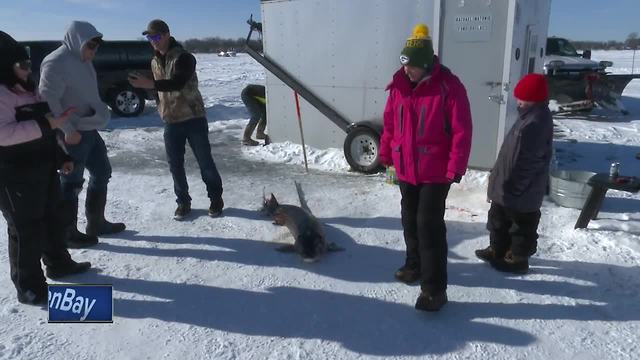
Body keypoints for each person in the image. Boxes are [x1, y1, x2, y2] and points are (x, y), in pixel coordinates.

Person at [379, 24, 473, 312]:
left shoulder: (449, 87)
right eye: (404, 65)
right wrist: (386, 155)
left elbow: (462, 130)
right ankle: (414, 264)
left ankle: (434, 290)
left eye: (412, 67)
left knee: (428, 226)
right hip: (406, 168)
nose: (407, 71)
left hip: (436, 171)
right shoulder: (398, 87)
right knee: (409, 219)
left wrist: (455, 167)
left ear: (426, 64)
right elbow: (390, 124)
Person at [0, 31, 91, 305]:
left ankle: (59, 263)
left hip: (42, 168)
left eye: (30, 65)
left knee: (53, 218)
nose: (29, 70)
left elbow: (49, 128)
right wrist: (47, 125)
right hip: (12, 176)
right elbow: (3, 134)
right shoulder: (1, 94)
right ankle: (29, 286)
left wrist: (61, 155)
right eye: (23, 65)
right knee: (26, 229)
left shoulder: (30, 89)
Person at [39, 21, 125, 248]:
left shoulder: (81, 60)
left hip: (89, 129)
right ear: (78, 41)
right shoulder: (56, 62)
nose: (93, 52)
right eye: (90, 47)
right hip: (73, 134)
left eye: (95, 48)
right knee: (71, 182)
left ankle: (96, 223)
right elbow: (48, 99)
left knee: (102, 171)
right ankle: (68, 233)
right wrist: (68, 130)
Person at [129, 19, 224, 220]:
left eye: (155, 37)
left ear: (166, 35)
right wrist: (158, 102)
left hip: (193, 118)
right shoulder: (154, 60)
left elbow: (178, 82)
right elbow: (160, 91)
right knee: (175, 165)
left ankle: (216, 199)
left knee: (205, 162)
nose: (152, 41)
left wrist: (151, 84)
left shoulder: (184, 57)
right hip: (171, 121)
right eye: (149, 37)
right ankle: (183, 202)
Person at [476, 73, 553, 274]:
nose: (518, 102)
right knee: (498, 219)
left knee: (520, 226)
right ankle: (497, 249)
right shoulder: (528, 117)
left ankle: (517, 259)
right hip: (507, 185)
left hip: (521, 190)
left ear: (534, 99)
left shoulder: (536, 122)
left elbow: (529, 162)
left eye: (523, 98)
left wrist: (515, 187)